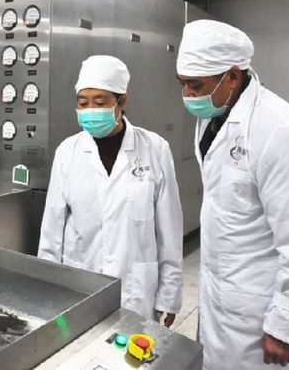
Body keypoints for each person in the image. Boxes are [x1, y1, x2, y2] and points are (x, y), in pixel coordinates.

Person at [176, 20, 289, 369]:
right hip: (221, 297)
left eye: (196, 85)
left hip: (258, 312)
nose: (187, 95)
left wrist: (286, 324)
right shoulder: (214, 116)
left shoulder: (281, 130)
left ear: (232, 76)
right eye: (182, 83)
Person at [38, 55, 183, 325]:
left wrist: (169, 294)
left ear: (122, 101)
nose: (90, 110)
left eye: (100, 102)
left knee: (134, 347)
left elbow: (169, 231)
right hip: (80, 285)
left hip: (135, 289)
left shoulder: (155, 149)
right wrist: (49, 290)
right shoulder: (67, 152)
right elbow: (52, 231)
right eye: (83, 103)